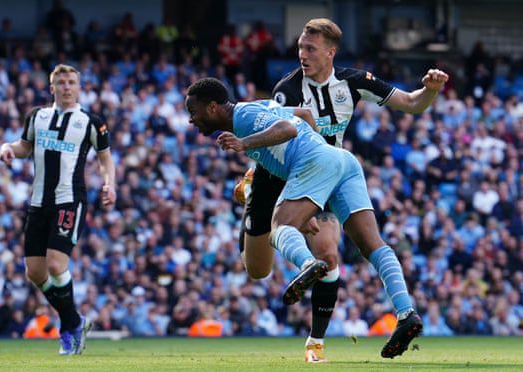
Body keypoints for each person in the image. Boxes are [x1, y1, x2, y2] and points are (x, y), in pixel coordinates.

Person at [234, 18, 449, 362]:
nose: (302, 55)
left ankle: (323, 341)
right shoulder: (286, 89)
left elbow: (411, 103)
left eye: (310, 49)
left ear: (330, 52)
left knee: (333, 254)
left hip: (330, 175)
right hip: (278, 178)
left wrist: (431, 90)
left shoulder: (353, 81)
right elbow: (277, 136)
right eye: (301, 48)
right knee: (258, 269)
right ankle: (251, 191)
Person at [185, 77, 423, 361]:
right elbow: (305, 114)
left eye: (194, 112)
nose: (191, 120)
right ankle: (406, 312)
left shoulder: (245, 117)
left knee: (279, 228)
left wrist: (243, 143)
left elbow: (287, 129)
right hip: (341, 160)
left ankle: (309, 264)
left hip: (317, 162)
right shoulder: (258, 106)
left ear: (212, 108)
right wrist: (317, 176)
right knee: (372, 244)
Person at [0, 64, 116, 355]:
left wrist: (109, 184)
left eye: (71, 82)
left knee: (55, 265)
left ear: (79, 87)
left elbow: (105, 159)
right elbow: (25, 147)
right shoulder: (37, 117)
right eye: (61, 82)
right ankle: (74, 321)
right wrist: (8, 147)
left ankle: (68, 329)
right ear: (52, 87)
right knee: (34, 273)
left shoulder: (91, 121)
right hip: (39, 202)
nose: (66, 87)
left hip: (69, 199)